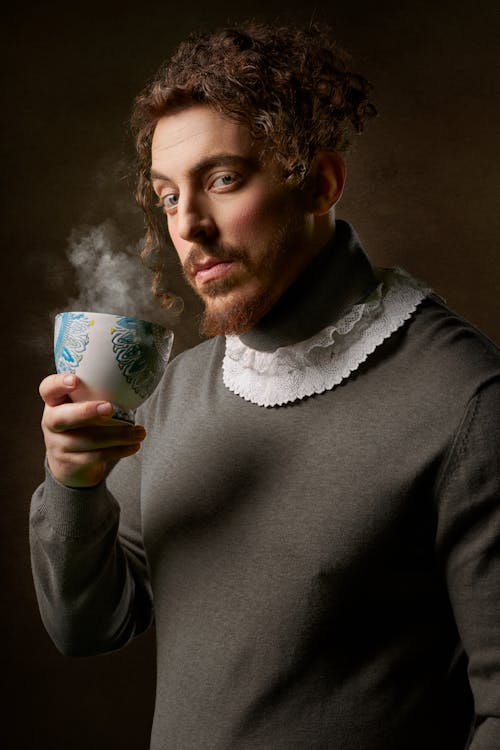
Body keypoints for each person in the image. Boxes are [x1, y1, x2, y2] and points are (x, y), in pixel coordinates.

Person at [30, 21, 500, 750]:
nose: (190, 227)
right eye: (167, 195)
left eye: (221, 180)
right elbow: (90, 627)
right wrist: (75, 484)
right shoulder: (177, 388)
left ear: (319, 181)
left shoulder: (462, 398)